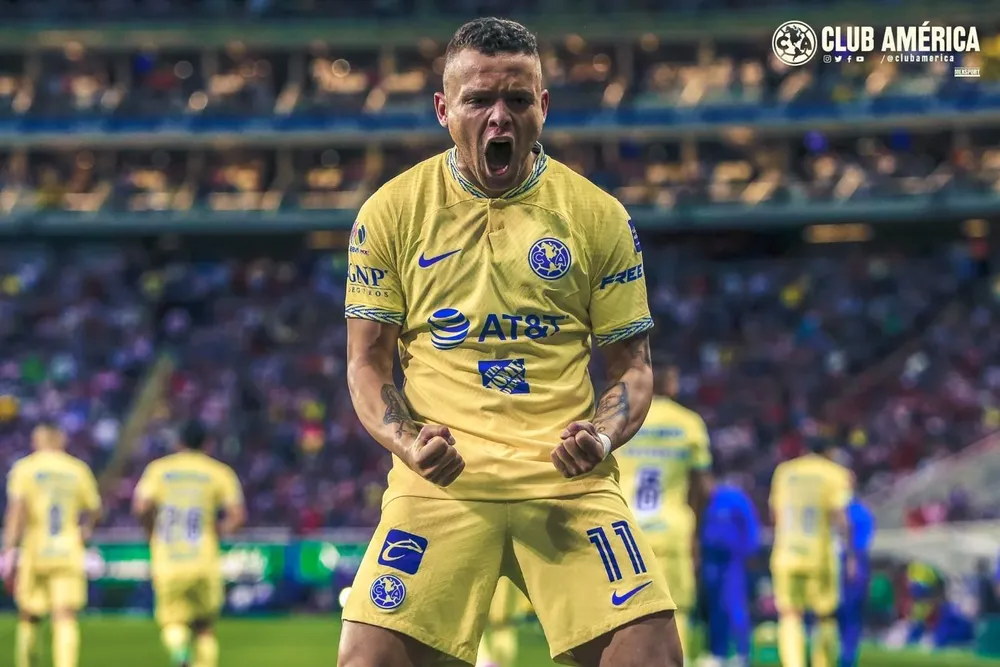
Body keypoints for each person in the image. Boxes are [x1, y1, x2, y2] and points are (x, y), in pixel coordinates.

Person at [340, 16, 681, 667]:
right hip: (442, 481)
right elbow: (365, 360)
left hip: (563, 479)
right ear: (445, 109)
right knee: (366, 660)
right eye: (479, 100)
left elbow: (633, 370)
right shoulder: (391, 212)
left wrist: (602, 435)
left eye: (518, 100)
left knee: (653, 657)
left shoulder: (598, 217)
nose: (500, 117)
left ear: (543, 108)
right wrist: (408, 441)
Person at [618, 364, 714, 663]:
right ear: (671, 382)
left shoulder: (621, 418)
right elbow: (704, 486)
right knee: (678, 607)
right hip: (673, 529)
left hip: (626, 529)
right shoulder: (688, 423)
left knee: (624, 610)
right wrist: (696, 527)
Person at [132, 420, 246, 667]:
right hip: (203, 558)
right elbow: (237, 517)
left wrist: (151, 531)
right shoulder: (218, 472)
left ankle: (181, 654)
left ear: (179, 442)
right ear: (207, 444)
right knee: (204, 626)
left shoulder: (159, 470)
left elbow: (141, 507)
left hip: (168, 557)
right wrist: (218, 531)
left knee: (173, 622)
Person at [1, 422, 102, 667]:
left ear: (39, 440)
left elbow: (17, 512)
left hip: (36, 550)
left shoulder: (26, 468)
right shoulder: (77, 469)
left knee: (29, 615)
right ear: (61, 440)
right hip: (68, 550)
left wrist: (9, 549)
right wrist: (84, 532)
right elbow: (95, 509)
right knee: (65, 615)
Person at [769, 437, 854, 667]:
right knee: (825, 617)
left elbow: (774, 513)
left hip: (786, 554)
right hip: (819, 556)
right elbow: (840, 516)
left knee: (789, 615)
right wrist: (851, 554)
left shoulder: (784, 472)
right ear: (828, 452)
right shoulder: (835, 473)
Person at [700, 481, 760, 667]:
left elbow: (750, 526)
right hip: (710, 558)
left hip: (733, 559)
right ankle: (718, 653)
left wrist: (751, 552)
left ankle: (742, 653)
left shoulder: (735, 498)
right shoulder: (707, 499)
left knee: (735, 606)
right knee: (716, 609)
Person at [837, 497, 874, 667]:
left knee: (847, 613)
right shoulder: (861, 511)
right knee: (851, 614)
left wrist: (851, 558)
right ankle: (847, 655)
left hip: (848, 561)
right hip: (854, 560)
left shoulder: (851, 511)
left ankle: (846, 656)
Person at [475, 576, 533, 667]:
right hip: (490, 628)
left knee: (505, 659)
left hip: (507, 626)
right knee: (488, 660)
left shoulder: (510, 579)